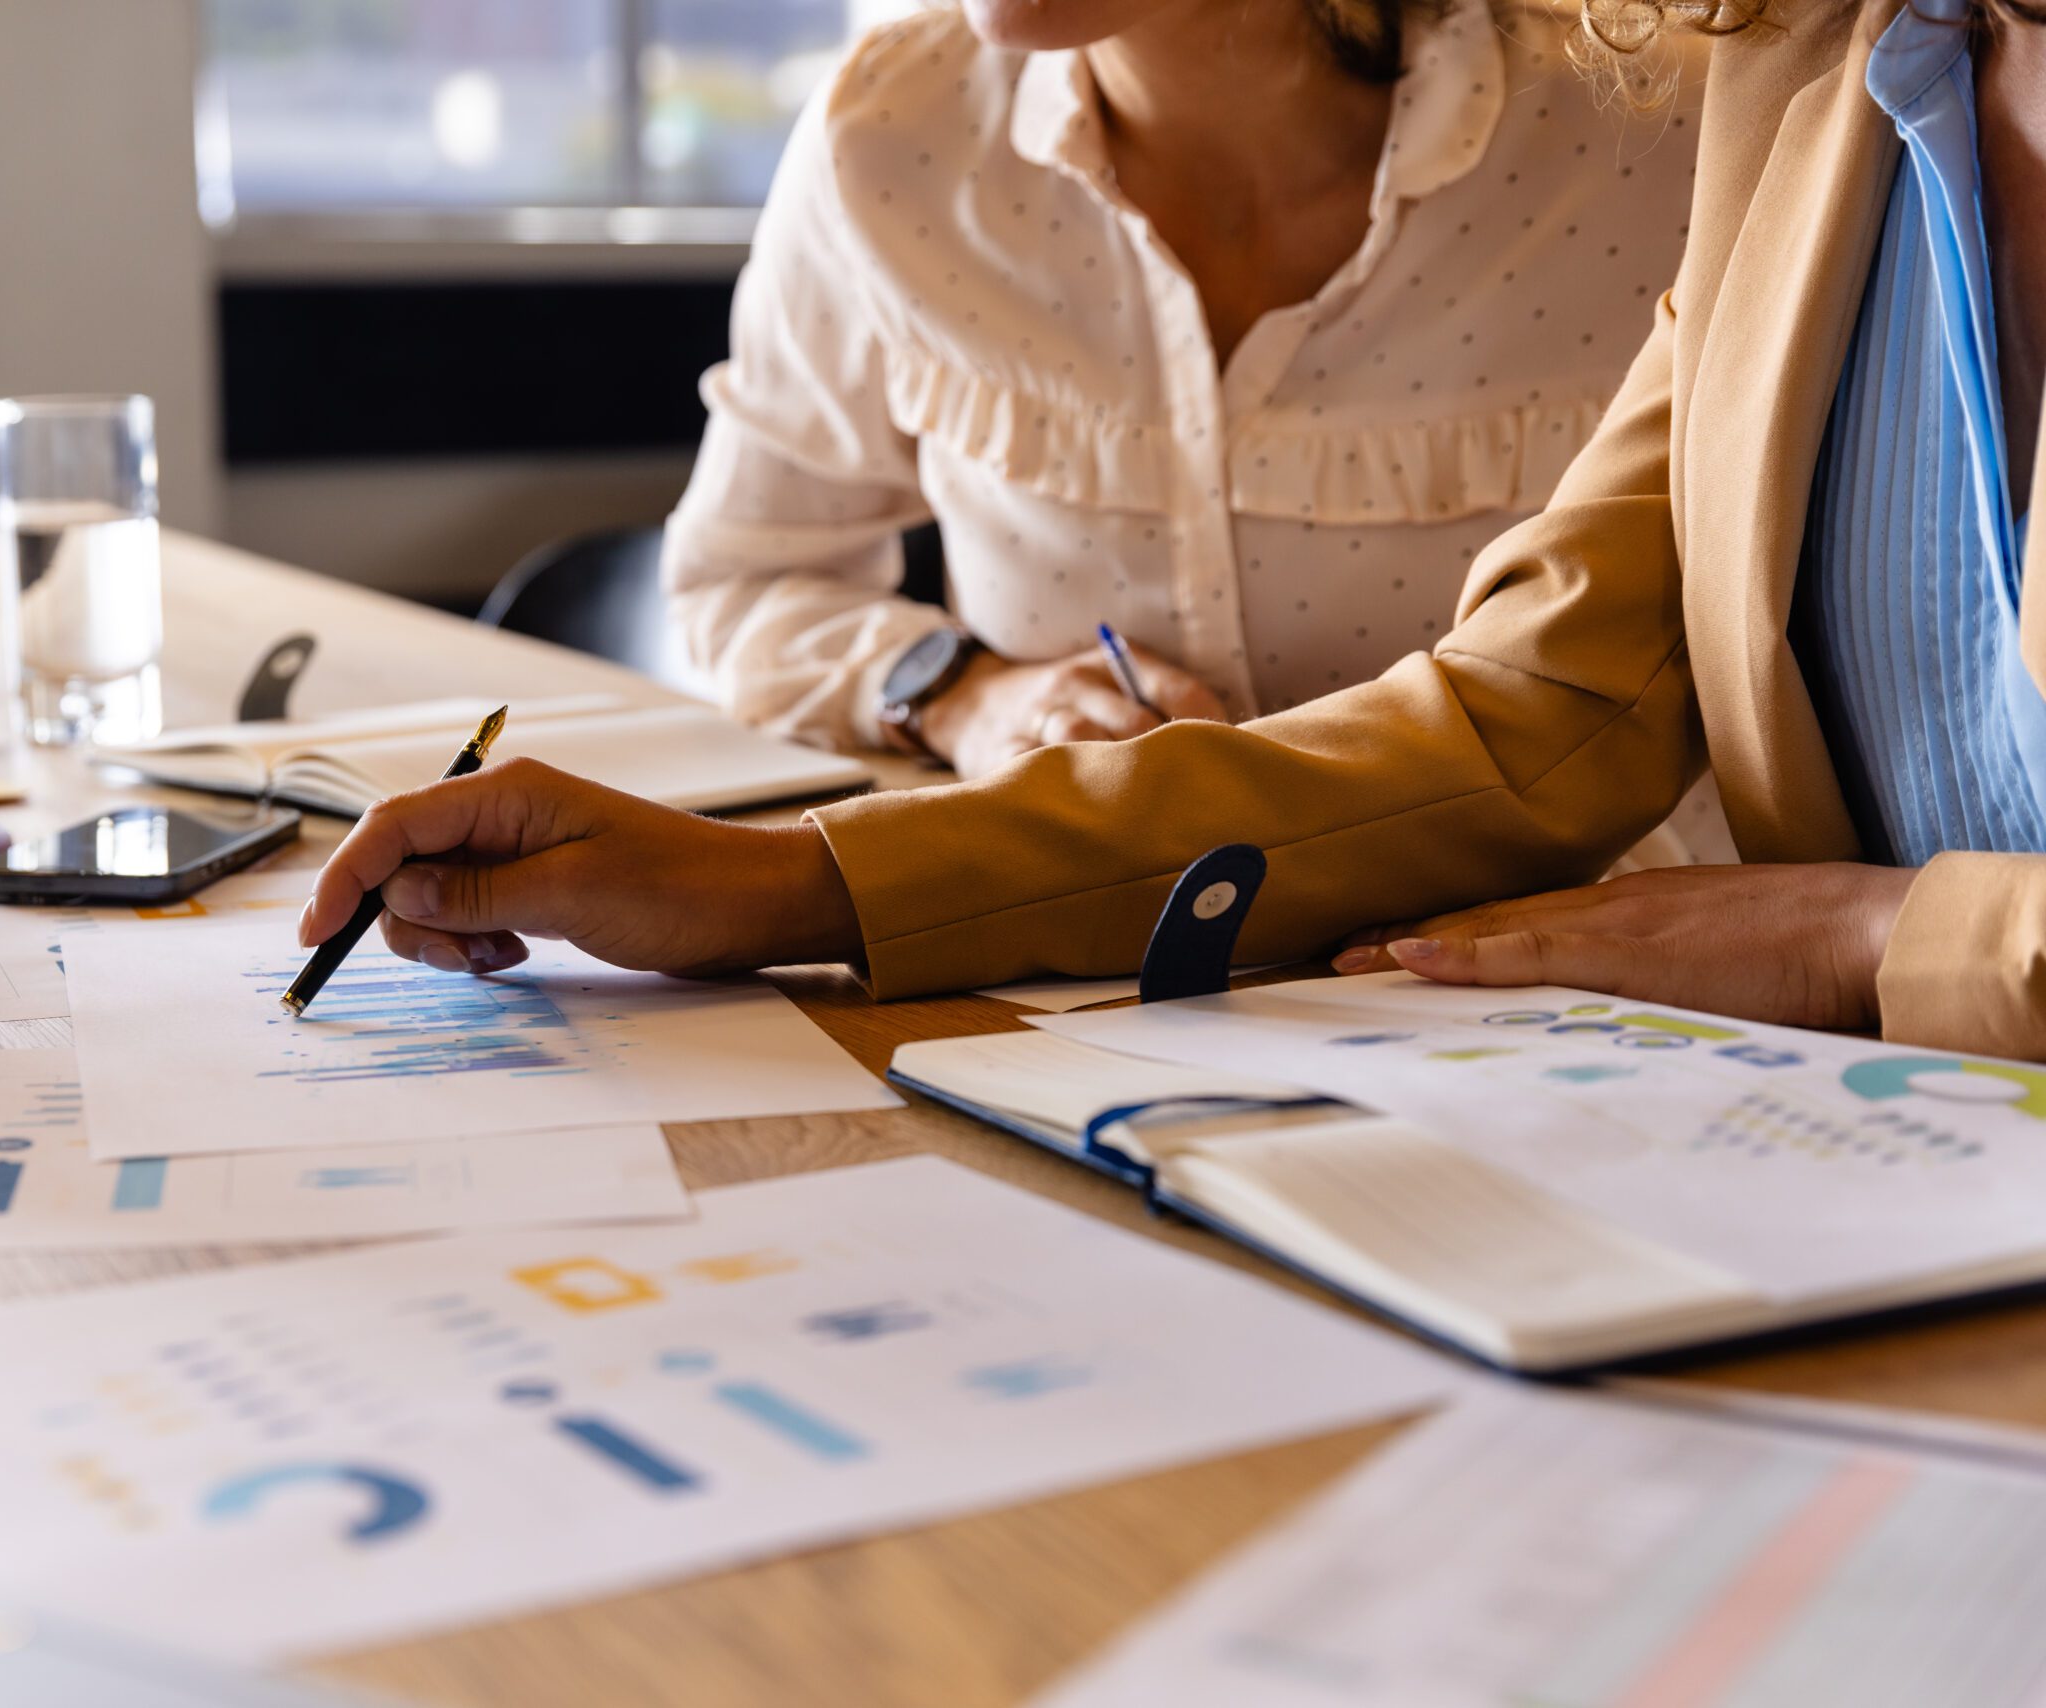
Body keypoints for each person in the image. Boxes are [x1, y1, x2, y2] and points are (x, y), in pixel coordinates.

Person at [300, 0, 2046, 1061]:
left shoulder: (1649, 118)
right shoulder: (1812, 81)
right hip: (1806, 1141)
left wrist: (1878, 935)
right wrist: (779, 879)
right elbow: (1528, 717)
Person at [663, 0, 1714, 807]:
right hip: (1082, 988)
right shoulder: (892, 136)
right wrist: (964, 693)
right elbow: (743, 582)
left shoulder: (1669, 134)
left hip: (1575, 998)